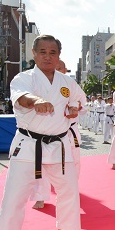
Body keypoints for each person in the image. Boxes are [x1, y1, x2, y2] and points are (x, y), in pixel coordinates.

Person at [0, 35, 84, 230]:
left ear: (59, 56)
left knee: (69, 189)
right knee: (14, 197)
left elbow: (79, 101)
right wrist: (36, 101)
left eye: (53, 52)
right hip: (29, 144)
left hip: (59, 144)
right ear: (34, 53)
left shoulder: (67, 81)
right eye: (42, 51)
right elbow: (21, 97)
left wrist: (74, 108)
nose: (47, 56)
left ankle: (65, 227)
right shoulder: (24, 78)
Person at [30, 59, 86, 209]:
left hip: (69, 131)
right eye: (56, 67)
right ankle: (40, 196)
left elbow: (82, 101)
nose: (58, 69)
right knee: (41, 164)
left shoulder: (71, 84)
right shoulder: (40, 84)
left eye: (61, 67)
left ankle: (72, 191)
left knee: (73, 163)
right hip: (46, 132)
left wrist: (76, 107)